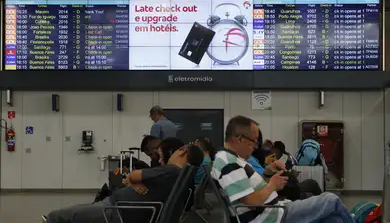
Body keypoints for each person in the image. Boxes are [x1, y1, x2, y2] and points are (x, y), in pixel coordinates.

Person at [212, 115, 354, 223]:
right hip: (271, 216)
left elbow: (252, 193)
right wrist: (272, 186)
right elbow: (251, 201)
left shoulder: (232, 159)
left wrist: (267, 173)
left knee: (332, 218)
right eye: (254, 141)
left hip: (274, 211)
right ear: (240, 138)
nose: (255, 147)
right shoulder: (227, 162)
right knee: (330, 200)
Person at [42, 142, 204, 223]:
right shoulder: (183, 179)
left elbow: (132, 176)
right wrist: (137, 183)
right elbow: (135, 180)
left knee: (58, 216)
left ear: (183, 151)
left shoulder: (171, 170)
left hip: (116, 211)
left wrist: (134, 181)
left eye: (175, 151)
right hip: (119, 208)